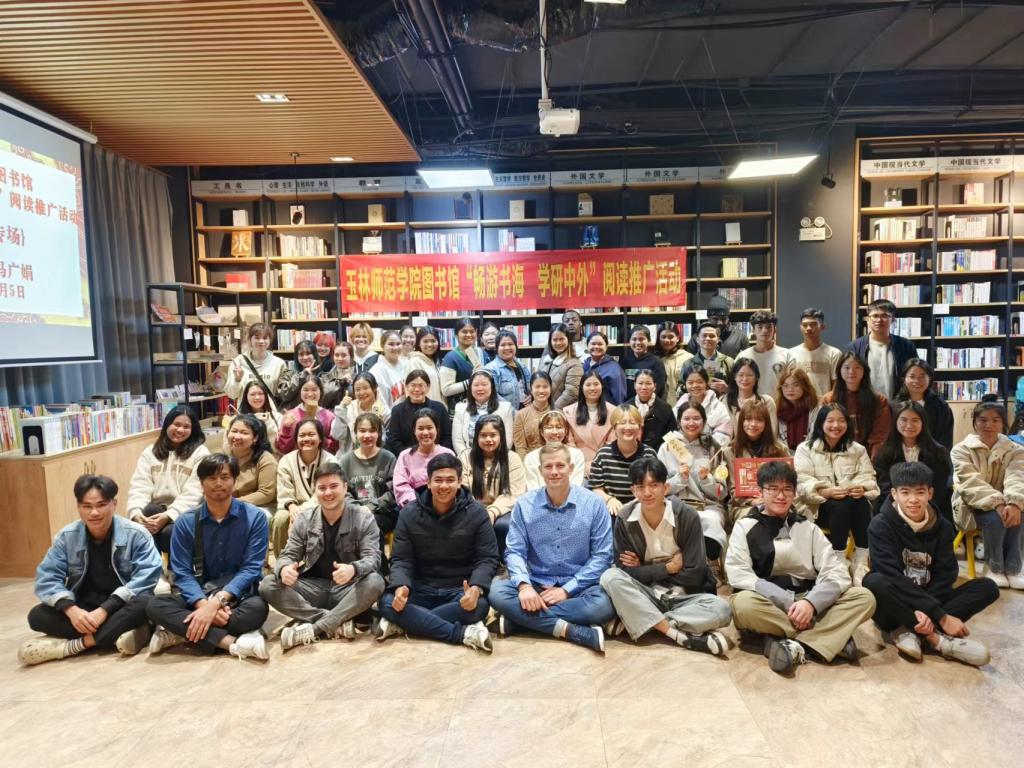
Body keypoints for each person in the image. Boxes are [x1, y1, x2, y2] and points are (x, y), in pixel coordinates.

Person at [727, 461, 876, 675]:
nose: (781, 496)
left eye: (787, 489)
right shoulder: (744, 526)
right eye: (773, 489)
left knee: (864, 598)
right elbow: (739, 573)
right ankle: (828, 637)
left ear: (794, 493)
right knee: (742, 605)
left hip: (808, 596)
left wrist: (811, 604)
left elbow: (835, 571)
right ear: (760, 491)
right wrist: (788, 603)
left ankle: (788, 642)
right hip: (768, 601)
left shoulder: (809, 528)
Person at [864, 462, 999, 666]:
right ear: (894, 494)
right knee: (874, 581)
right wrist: (941, 616)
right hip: (894, 608)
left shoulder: (943, 527)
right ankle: (936, 639)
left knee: (988, 587)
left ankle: (909, 631)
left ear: (930, 493)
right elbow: (892, 577)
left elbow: (945, 576)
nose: (913, 500)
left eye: (920, 492)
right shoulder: (880, 525)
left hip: (930, 599)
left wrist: (928, 611)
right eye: (905, 492)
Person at [18, 475, 162, 666]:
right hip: (85, 607)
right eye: (87, 506)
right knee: (37, 616)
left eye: (101, 505)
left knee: (147, 603)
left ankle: (79, 644)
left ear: (114, 504)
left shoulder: (136, 534)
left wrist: (105, 610)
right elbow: (47, 578)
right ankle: (125, 631)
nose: (94, 512)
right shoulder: (66, 537)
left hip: (121, 605)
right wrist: (71, 610)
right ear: (78, 507)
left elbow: (146, 577)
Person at [489, 444, 616, 652]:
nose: (554, 471)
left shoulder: (594, 504)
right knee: (496, 592)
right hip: (537, 582)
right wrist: (524, 586)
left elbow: (602, 556)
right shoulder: (525, 504)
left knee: (603, 605)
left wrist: (567, 590)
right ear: (540, 471)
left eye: (560, 465)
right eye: (548, 466)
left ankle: (520, 620)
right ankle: (569, 630)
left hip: (580, 586)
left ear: (571, 468)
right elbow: (515, 551)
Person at [599, 458, 730, 655]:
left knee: (722, 609)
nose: (647, 492)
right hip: (646, 594)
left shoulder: (687, 516)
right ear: (632, 490)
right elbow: (625, 571)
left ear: (666, 487)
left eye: (654, 485)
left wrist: (643, 568)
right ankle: (675, 633)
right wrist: (669, 567)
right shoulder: (625, 519)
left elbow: (695, 573)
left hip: (684, 597)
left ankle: (639, 619)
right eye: (640, 487)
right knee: (610, 576)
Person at [146, 454, 271, 660]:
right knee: (154, 605)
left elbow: (251, 568)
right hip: (200, 595)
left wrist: (216, 604)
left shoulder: (255, 517)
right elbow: (182, 573)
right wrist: (204, 606)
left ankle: (181, 632)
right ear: (201, 483)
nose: (218, 483)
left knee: (258, 609)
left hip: (239, 596)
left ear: (235, 480)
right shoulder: (185, 522)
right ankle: (231, 643)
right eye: (211, 478)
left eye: (225, 477)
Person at [376, 453, 498, 653]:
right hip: (419, 588)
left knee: (480, 605)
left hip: (458, 589)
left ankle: (406, 622)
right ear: (428, 482)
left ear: (460, 482)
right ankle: (461, 634)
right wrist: (400, 587)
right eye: (438, 480)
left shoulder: (477, 512)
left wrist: (476, 589)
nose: (444, 486)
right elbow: (401, 559)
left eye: (450, 480)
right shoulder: (409, 513)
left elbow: (487, 558)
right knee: (387, 602)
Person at [259, 463, 385, 648]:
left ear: (345, 487)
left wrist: (353, 569)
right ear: (315, 491)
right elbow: (289, 554)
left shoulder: (363, 517)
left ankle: (315, 628)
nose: (328, 493)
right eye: (322, 488)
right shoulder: (305, 518)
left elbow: (373, 559)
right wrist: (284, 568)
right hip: (312, 589)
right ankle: (337, 621)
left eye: (334, 486)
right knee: (268, 584)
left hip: (348, 589)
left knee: (375, 581)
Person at [794, 403, 879, 586]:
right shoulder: (805, 449)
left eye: (841, 421)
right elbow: (802, 481)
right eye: (830, 420)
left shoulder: (857, 449)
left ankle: (861, 561)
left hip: (852, 506)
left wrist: (861, 487)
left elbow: (868, 476)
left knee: (860, 502)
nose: (836, 425)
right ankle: (838, 560)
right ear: (821, 423)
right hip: (817, 507)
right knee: (841, 505)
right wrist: (824, 491)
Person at [951, 395, 1024, 588]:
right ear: (975, 423)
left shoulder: (1016, 450)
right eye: (982, 420)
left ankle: (1014, 568)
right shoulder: (961, 450)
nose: (989, 425)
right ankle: (994, 567)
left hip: (1007, 502)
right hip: (970, 505)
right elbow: (970, 483)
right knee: (994, 518)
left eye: (995, 420)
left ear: (1003, 423)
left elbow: (1017, 477)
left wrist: (1014, 503)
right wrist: (997, 504)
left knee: (1019, 514)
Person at [127, 405, 209, 553]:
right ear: (167, 425)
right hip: (155, 511)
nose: (180, 430)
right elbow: (139, 485)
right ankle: (152, 564)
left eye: (186, 427)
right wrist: (136, 513)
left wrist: (169, 515)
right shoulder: (150, 452)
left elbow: (194, 493)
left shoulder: (200, 453)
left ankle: (173, 566)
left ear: (193, 429)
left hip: (186, 513)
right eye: (176, 424)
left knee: (169, 533)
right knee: (146, 515)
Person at [658, 403, 728, 560]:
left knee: (712, 521)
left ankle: (709, 565)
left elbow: (721, 493)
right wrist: (680, 478)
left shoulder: (714, 447)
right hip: (675, 505)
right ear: (679, 421)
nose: (691, 423)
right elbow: (660, 489)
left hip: (707, 506)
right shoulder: (667, 447)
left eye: (696, 418)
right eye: (687, 418)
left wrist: (706, 479)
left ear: (704, 421)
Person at [873, 401, 953, 522]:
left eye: (915, 420)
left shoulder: (938, 452)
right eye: (904, 420)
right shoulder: (884, 453)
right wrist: (903, 508)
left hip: (930, 508)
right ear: (895, 422)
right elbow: (884, 487)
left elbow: (939, 486)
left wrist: (921, 508)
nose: (909, 425)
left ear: (923, 423)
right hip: (894, 509)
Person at [460, 414, 526, 558]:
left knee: (504, 525)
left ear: (501, 436)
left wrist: (492, 511)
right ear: (476, 437)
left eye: (493, 435)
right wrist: (477, 510)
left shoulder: (512, 458)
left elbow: (514, 493)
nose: (488, 439)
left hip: (502, 510)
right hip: (471, 508)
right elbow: (462, 489)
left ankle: (502, 561)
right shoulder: (465, 457)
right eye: (483, 435)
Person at [335, 412, 398, 557]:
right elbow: (343, 491)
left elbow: (393, 492)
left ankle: (378, 565)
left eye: (372, 431)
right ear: (355, 433)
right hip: (352, 512)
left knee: (371, 523)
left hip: (383, 514)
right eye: (362, 431)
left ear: (379, 433)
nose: (367, 435)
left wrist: (372, 507)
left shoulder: (388, 458)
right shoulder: (345, 460)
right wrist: (358, 509)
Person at [721, 398, 790, 526]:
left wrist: (771, 500)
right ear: (741, 422)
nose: (753, 424)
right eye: (748, 419)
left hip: (778, 501)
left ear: (766, 423)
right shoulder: (730, 451)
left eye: (759, 420)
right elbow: (733, 488)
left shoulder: (780, 449)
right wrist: (752, 501)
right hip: (744, 506)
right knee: (754, 518)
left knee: (788, 518)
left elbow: (789, 481)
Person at [271, 418, 333, 558]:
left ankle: (314, 563)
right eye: (302, 435)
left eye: (311, 434)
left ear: (320, 438)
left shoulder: (330, 461)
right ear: (296, 439)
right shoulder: (286, 461)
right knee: (280, 518)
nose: (306, 439)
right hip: (292, 506)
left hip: (322, 506)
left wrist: (301, 511)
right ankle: (283, 561)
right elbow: (284, 491)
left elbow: (326, 493)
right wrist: (292, 507)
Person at [589, 404, 660, 513]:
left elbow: (655, 486)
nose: (628, 427)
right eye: (622, 423)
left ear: (639, 426)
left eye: (632, 423)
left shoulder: (649, 454)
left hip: (641, 507)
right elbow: (596, 488)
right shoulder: (603, 454)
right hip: (611, 509)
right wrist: (609, 499)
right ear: (614, 427)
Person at [821, 352, 891, 458]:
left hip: (867, 456)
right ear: (839, 371)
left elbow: (879, 436)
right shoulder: (828, 400)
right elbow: (824, 433)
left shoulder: (879, 400)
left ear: (864, 371)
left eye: (857, 367)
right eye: (847, 367)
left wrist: (872, 462)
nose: (851, 371)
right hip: (835, 454)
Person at [847, 299, 918, 401]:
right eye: (875, 316)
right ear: (867, 320)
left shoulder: (906, 346)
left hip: (898, 404)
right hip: (865, 404)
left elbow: (915, 374)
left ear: (893, 320)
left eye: (884, 316)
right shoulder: (855, 347)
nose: (879, 320)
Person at [393, 408, 456, 507]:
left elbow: (454, 483)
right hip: (414, 508)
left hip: (445, 506)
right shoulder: (405, 456)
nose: (425, 433)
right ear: (414, 431)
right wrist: (419, 506)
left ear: (437, 429)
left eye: (429, 428)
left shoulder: (448, 454)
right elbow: (401, 488)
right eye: (421, 428)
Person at [386, 370, 452, 456]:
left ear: (428, 387)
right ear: (406, 387)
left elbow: (447, 437)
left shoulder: (440, 408)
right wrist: (410, 457)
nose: (417, 389)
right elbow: (394, 440)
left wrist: (437, 456)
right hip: (408, 457)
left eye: (421, 385)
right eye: (413, 385)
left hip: (437, 458)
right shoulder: (397, 410)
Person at [562, 371, 615, 475]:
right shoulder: (569, 411)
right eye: (588, 385)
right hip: (577, 464)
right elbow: (569, 443)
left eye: (596, 384)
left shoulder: (613, 411)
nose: (592, 388)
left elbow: (612, 443)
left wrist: (596, 463)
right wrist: (582, 463)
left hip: (605, 463)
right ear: (582, 387)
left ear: (602, 386)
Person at [452, 370, 515, 456]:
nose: (480, 388)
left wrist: (493, 458)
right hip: (468, 458)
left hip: (497, 458)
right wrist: (468, 458)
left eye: (484, 384)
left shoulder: (505, 408)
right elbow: (457, 441)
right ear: (470, 388)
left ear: (492, 387)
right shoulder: (460, 408)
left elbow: (507, 441)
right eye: (476, 385)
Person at [896, 358, 954, 450]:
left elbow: (945, 439)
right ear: (904, 379)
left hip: (932, 455)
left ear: (929, 378)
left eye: (922, 377)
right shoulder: (895, 406)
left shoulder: (941, 406)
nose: (917, 381)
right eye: (912, 377)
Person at [225, 414, 278, 511]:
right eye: (234, 431)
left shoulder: (265, 459)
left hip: (260, 507)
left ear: (255, 438)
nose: (237, 436)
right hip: (229, 504)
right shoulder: (226, 456)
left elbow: (266, 493)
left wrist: (233, 503)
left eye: (244, 433)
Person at [785, 308, 841, 400]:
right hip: (798, 405)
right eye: (805, 325)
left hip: (823, 404)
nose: (808, 328)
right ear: (800, 328)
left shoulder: (834, 354)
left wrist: (828, 398)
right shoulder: (790, 354)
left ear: (822, 327)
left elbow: (837, 384)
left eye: (813, 324)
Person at [276, 373, 338, 455]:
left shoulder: (329, 417)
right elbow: (283, 448)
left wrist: (318, 432)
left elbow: (334, 448)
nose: (310, 394)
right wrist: (286, 428)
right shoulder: (290, 415)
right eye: (305, 390)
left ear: (321, 391)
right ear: (299, 391)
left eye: (314, 390)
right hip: (296, 460)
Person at [225, 322, 287, 403]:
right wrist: (237, 379)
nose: (261, 341)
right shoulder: (238, 362)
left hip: (270, 410)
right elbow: (231, 395)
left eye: (265, 338)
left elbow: (284, 394)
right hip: (245, 411)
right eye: (257, 338)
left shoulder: (279, 364)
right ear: (250, 339)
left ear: (270, 340)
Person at [524, 410, 586, 490]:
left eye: (559, 427)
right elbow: (533, 489)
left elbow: (576, 486)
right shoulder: (531, 457)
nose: (554, 432)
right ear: (541, 432)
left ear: (566, 431)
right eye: (549, 428)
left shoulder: (577, 455)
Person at [332, 371, 390, 455]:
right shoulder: (349, 408)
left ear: (375, 388)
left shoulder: (384, 411)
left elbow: (385, 442)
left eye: (365, 388)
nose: (362, 393)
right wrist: (342, 410)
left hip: (377, 456)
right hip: (349, 456)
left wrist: (377, 417)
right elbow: (337, 435)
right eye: (357, 389)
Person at [736, 311, 788, 398]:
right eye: (760, 327)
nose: (764, 330)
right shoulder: (743, 356)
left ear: (774, 330)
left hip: (780, 404)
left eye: (768, 327)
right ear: (753, 330)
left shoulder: (787, 354)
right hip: (751, 404)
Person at [677, 364, 732, 446]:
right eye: (690, 382)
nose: (695, 385)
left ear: (706, 383)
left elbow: (724, 435)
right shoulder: (679, 406)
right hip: (683, 451)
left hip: (709, 451)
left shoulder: (717, 406)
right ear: (685, 384)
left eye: (700, 382)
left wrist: (701, 448)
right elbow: (672, 432)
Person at [723, 357, 779, 436]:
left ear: (756, 378)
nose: (745, 379)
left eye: (750, 375)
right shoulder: (725, 401)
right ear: (734, 377)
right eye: (741, 375)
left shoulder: (766, 401)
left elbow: (772, 434)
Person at [222, 380, 281, 452]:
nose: (257, 397)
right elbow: (227, 445)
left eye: (260, 394)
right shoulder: (236, 420)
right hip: (244, 457)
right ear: (246, 397)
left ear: (265, 396)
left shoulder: (277, 417)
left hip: (273, 456)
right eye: (252, 394)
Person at [440, 317, 484, 414]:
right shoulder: (450, 358)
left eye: (472, 331)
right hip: (460, 410)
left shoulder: (480, 353)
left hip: (480, 408)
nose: (469, 334)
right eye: (464, 331)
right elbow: (446, 390)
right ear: (456, 335)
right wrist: (472, 381)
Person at [686, 295, 748, 359]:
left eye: (723, 319)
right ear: (708, 318)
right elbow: (690, 361)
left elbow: (747, 361)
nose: (720, 323)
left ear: (728, 318)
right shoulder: (697, 338)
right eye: (715, 319)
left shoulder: (740, 337)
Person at [681, 323, 733, 397]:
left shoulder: (729, 362)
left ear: (718, 339)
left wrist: (727, 389)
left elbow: (739, 388)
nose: (708, 339)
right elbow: (680, 389)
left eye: (712, 336)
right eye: (704, 335)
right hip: (696, 403)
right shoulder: (688, 364)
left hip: (722, 402)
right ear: (697, 339)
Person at [775, 365, 819, 452]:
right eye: (785, 385)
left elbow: (815, 437)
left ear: (804, 386)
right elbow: (776, 439)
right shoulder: (777, 409)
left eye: (796, 385)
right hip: (784, 454)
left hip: (809, 453)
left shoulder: (814, 408)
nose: (790, 389)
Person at [540, 323, 584, 409]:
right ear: (550, 342)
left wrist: (553, 411)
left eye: (562, 339)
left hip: (562, 412)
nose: (558, 343)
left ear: (568, 340)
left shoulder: (574, 364)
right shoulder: (545, 360)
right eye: (555, 340)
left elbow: (571, 393)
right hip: (544, 410)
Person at [486, 330, 532, 410]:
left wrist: (532, 396)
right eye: (503, 345)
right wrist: (513, 412)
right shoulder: (491, 369)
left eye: (510, 344)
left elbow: (532, 387)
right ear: (497, 348)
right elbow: (492, 395)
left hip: (524, 412)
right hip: (504, 414)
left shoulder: (522, 366)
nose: (507, 347)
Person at [621, 324, 667, 401]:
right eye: (634, 339)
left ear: (648, 341)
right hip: (629, 404)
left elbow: (659, 388)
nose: (638, 342)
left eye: (641, 339)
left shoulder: (656, 362)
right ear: (629, 341)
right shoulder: (625, 361)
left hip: (649, 403)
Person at [512, 371, 553, 458]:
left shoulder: (559, 413)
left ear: (551, 388)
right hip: (530, 462)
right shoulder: (520, 415)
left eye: (545, 387)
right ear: (531, 389)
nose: (541, 391)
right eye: (537, 387)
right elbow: (520, 448)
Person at [633, 369, 675, 452]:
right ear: (634, 385)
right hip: (632, 453)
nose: (644, 387)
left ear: (654, 386)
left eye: (648, 383)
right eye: (640, 383)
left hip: (659, 454)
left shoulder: (665, 408)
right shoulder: (627, 407)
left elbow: (671, 436)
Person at [655, 321, 693, 408]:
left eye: (671, 337)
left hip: (684, 404)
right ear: (658, 338)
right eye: (663, 337)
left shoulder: (688, 358)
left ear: (678, 338)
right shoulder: (655, 360)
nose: (667, 340)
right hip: (661, 405)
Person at [582, 330, 626, 405]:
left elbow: (619, 396)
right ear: (587, 346)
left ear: (606, 346)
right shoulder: (583, 365)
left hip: (606, 409)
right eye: (593, 344)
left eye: (600, 344)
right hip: (585, 408)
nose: (596, 347)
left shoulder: (614, 368)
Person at [367, 329, 408, 409]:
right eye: (391, 344)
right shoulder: (376, 371)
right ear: (382, 346)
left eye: (398, 344)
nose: (395, 347)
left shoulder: (406, 365)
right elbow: (379, 404)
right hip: (388, 415)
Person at [406, 326, 446, 404]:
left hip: (439, 408)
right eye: (425, 341)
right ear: (419, 344)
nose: (430, 344)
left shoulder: (437, 361)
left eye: (433, 341)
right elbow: (412, 392)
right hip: (425, 410)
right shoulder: (415, 362)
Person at [276, 339, 321, 410]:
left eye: (308, 353)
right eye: (301, 354)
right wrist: (302, 375)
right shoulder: (288, 374)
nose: (305, 357)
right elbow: (283, 395)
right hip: (292, 414)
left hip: (316, 414)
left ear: (314, 355)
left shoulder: (322, 375)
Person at [321, 341, 354, 410]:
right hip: (330, 414)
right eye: (336, 355)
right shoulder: (325, 377)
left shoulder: (357, 377)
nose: (340, 359)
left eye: (344, 355)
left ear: (351, 357)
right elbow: (323, 401)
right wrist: (339, 383)